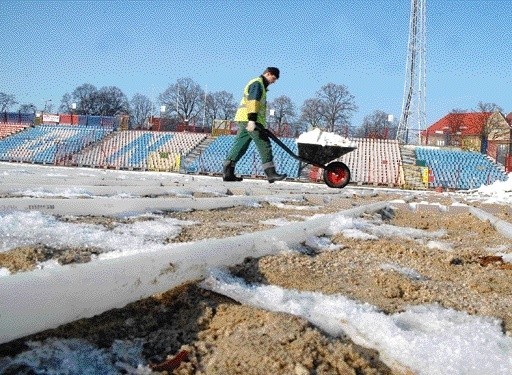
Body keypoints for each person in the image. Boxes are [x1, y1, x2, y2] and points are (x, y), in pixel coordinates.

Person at [223, 67, 287, 183]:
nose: (274, 81)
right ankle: (271, 173)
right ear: (268, 74)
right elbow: (253, 102)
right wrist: (252, 120)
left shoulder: (259, 84)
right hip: (251, 120)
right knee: (264, 144)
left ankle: (228, 173)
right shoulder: (258, 84)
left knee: (240, 145)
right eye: (274, 78)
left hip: (244, 119)